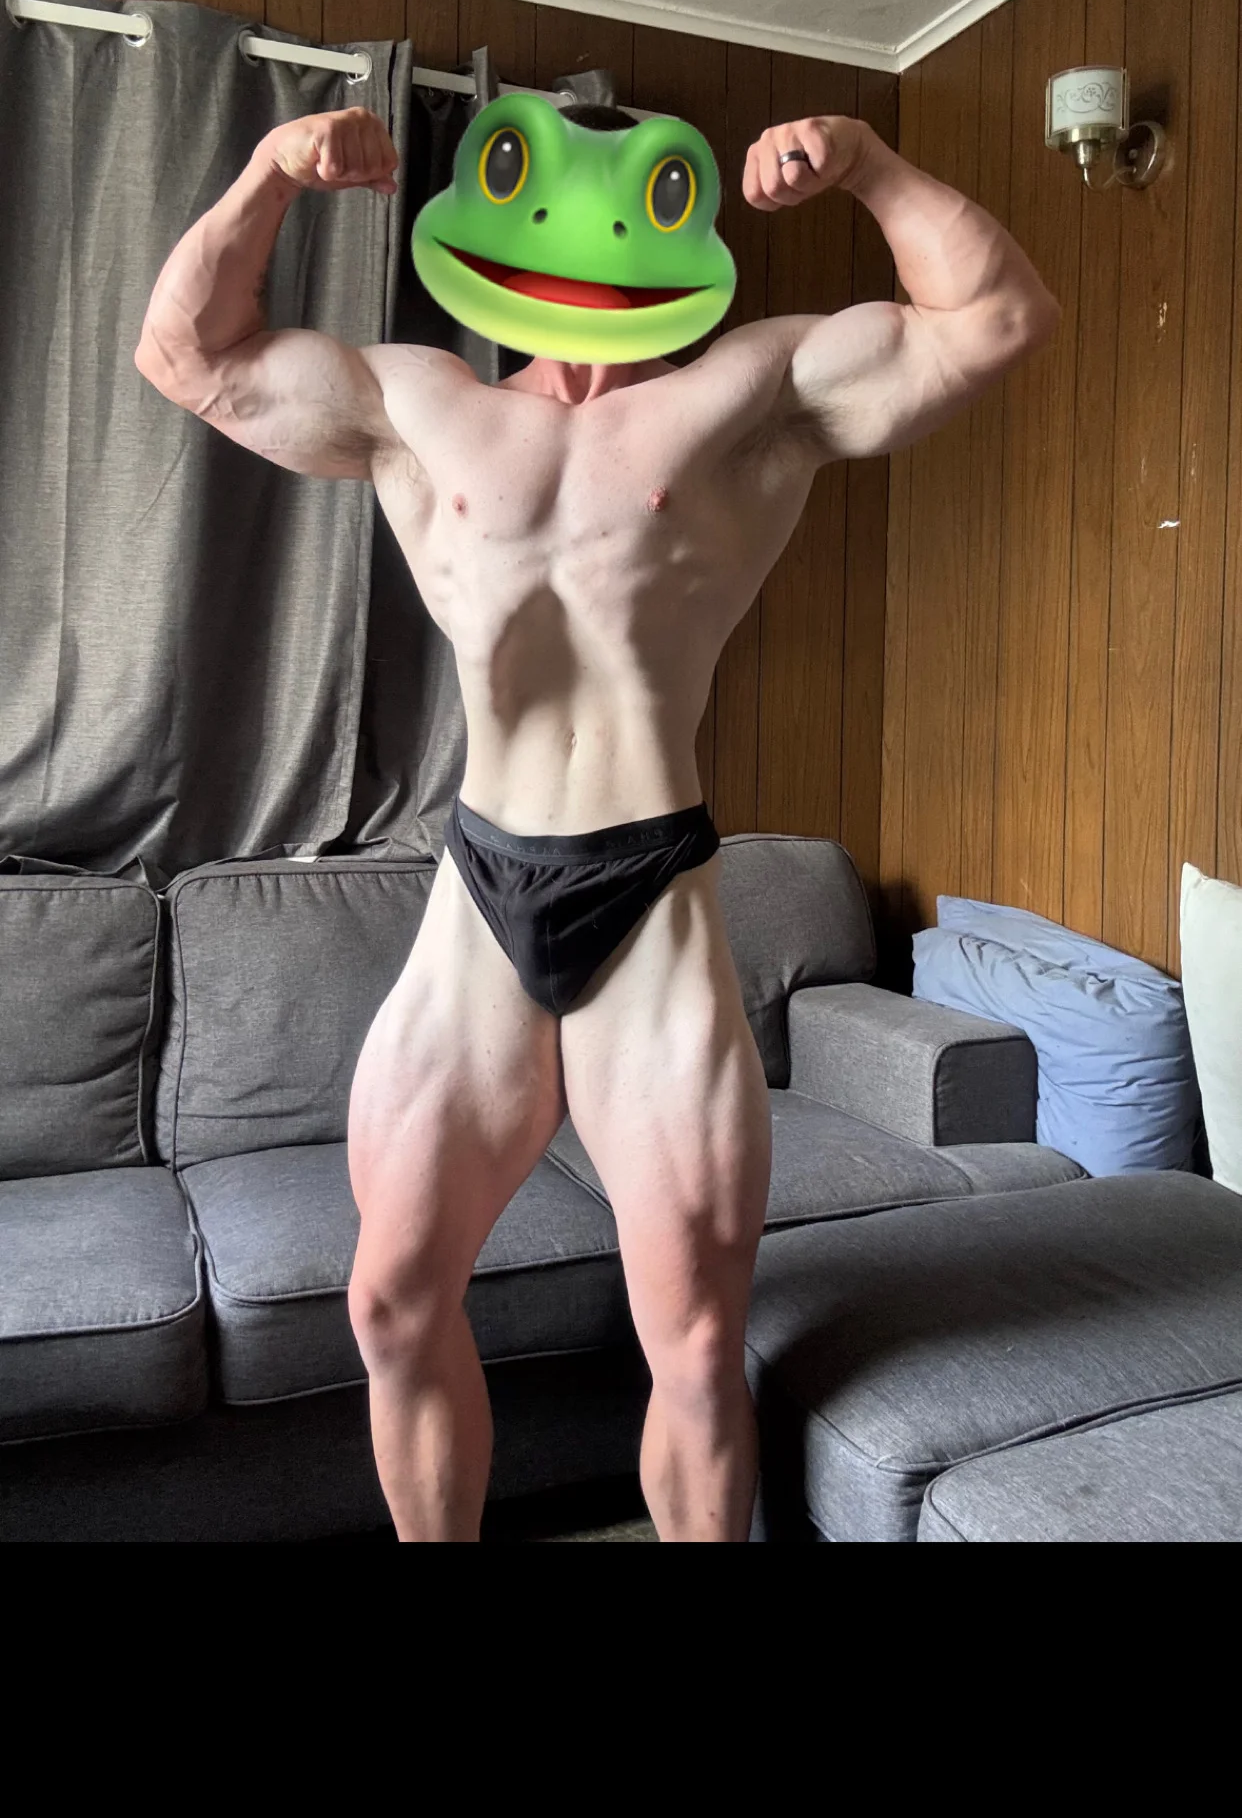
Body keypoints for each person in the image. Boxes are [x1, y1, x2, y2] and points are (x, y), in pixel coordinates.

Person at [135, 94, 1057, 1541]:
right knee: (390, 1301)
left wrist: (869, 165)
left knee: (692, 1342)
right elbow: (185, 355)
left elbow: (996, 317)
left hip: (651, 890)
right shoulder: (419, 404)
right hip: (482, 885)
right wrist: (269, 171)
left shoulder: (748, 394)